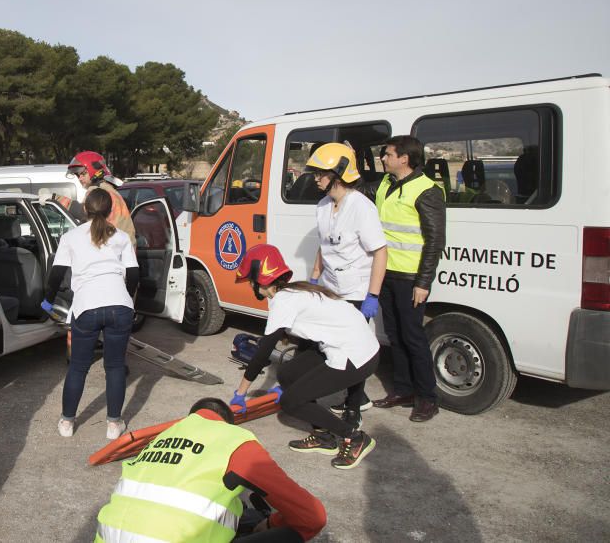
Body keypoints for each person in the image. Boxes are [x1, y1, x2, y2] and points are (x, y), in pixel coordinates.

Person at [229, 244, 380, 470]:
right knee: (288, 374)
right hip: (358, 347)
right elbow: (311, 338)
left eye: (250, 279)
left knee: (290, 401)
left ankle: (354, 437)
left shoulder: (283, 301)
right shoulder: (293, 291)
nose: (250, 284)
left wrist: (240, 393)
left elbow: (262, 353)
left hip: (356, 356)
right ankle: (323, 436)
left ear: (259, 278)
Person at [95, 397, 327, 542]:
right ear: (227, 423)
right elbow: (312, 516)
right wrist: (269, 524)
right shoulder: (234, 441)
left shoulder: (159, 440)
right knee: (290, 533)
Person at [42, 187, 139, 440]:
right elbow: (135, 275)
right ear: (109, 211)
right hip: (120, 308)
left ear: (85, 209)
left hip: (86, 308)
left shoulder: (71, 237)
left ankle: (67, 422)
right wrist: (126, 297)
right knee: (115, 366)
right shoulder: (121, 237)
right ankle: (114, 425)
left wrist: (46, 303)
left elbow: (55, 276)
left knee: (78, 367)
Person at [303, 143, 386, 429]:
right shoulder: (323, 206)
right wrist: (314, 278)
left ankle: (354, 407)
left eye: (320, 173)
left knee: (355, 350)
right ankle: (354, 397)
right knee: (328, 344)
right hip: (331, 287)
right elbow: (324, 245)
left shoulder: (361, 207)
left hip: (357, 289)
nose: (315, 178)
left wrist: (372, 296)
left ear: (338, 173)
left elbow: (380, 252)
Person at [365, 136, 446, 422]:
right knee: (395, 337)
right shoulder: (385, 184)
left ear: (404, 159)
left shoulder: (427, 190)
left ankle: (427, 398)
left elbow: (435, 241)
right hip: (386, 272)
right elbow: (357, 190)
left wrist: (424, 283)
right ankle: (403, 390)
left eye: (387, 155)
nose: (383, 159)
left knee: (413, 338)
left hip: (411, 278)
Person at [51, 150, 136, 247]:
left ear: (95, 171)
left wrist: (54, 198)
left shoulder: (97, 191)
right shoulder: (107, 188)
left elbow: (83, 212)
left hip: (114, 250)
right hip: (122, 248)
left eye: (83, 174)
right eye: (78, 175)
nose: (79, 178)